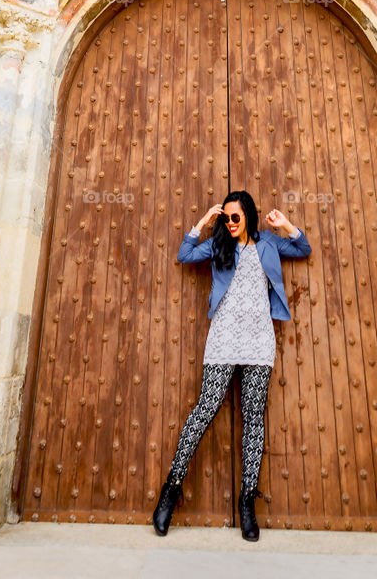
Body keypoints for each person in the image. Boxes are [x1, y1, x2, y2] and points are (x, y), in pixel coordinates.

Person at [152, 192, 310, 542]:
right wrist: (204, 224)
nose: (232, 223)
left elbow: (303, 249)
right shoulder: (218, 243)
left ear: (249, 217)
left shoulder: (268, 243)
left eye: (236, 217)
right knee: (205, 410)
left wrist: (286, 226)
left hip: (258, 339)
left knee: (254, 418)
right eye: (227, 218)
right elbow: (184, 254)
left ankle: (247, 506)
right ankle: (170, 491)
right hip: (223, 336)